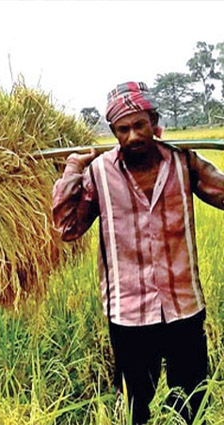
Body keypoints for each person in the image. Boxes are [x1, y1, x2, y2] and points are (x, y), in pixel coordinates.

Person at [52, 82, 224, 424]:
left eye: (139, 125)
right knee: (135, 406)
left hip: (184, 307)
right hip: (129, 313)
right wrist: (72, 170)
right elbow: (67, 228)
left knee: (191, 401)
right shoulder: (99, 174)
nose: (132, 136)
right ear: (114, 132)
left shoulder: (184, 162)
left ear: (154, 122)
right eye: (123, 129)